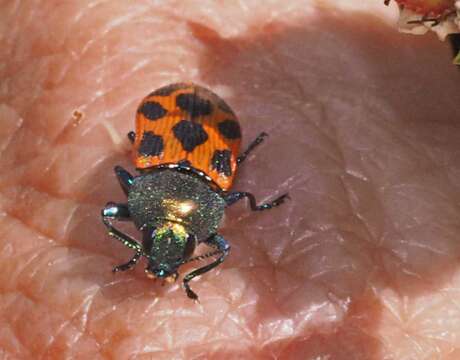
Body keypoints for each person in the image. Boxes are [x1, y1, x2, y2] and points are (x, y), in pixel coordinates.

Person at [1, 1, 459, 358]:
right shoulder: (186, 197)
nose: (163, 254)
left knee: (207, 208)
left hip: (185, 146)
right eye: (170, 248)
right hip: (182, 145)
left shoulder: (181, 196)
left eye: (155, 242)